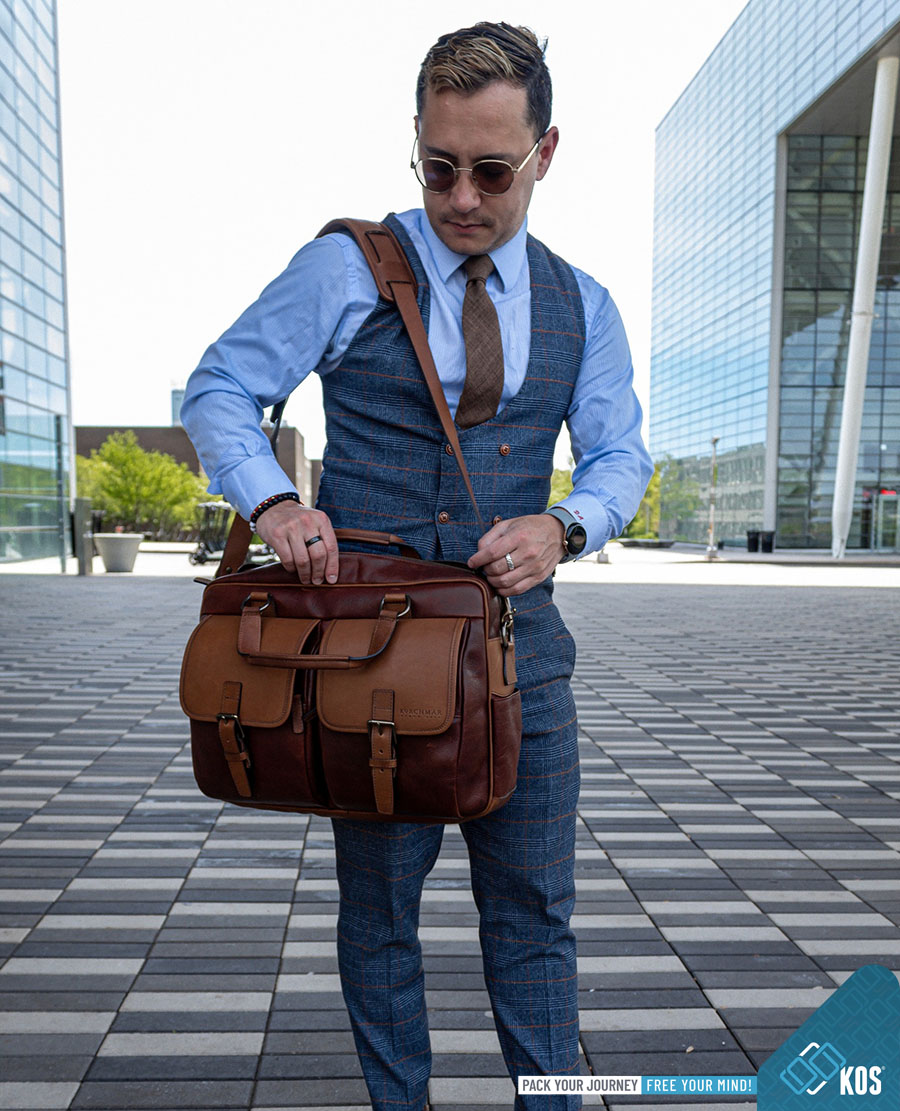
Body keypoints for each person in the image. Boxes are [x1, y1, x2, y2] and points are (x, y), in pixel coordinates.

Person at [182, 21, 652, 1110]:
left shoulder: (583, 304)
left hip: (521, 663)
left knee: (536, 916)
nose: (462, 198)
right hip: (370, 659)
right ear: (416, 142)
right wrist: (275, 500)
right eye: (438, 168)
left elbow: (621, 456)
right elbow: (219, 387)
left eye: (493, 170)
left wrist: (565, 526)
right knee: (381, 917)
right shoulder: (347, 265)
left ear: (545, 153)